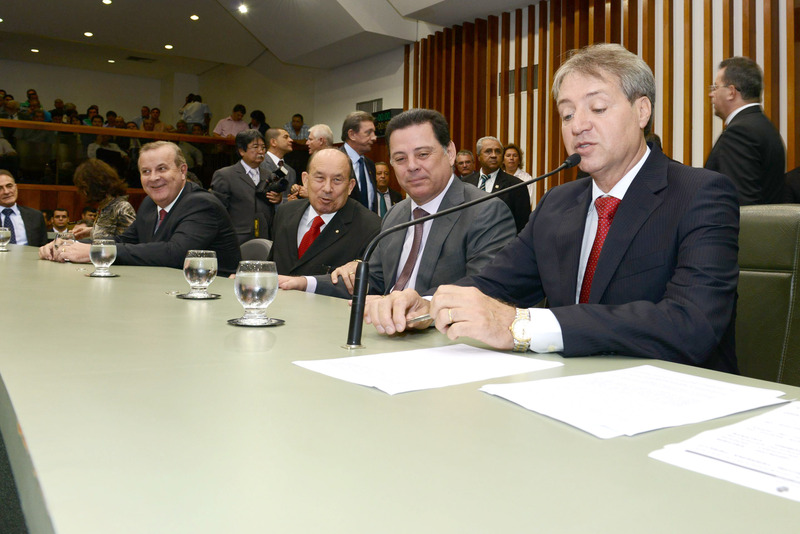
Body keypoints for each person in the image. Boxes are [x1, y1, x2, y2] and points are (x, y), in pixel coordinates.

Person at [364, 44, 740, 374]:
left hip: (670, 392)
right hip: (564, 386)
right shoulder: (558, 203)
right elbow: (496, 283)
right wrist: (428, 304)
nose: (578, 126)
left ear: (642, 111)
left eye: (597, 108)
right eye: (567, 114)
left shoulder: (700, 194)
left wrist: (523, 327)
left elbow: (692, 325)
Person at [278, 108, 516, 299]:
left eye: (423, 154)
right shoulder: (395, 214)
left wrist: (420, 304)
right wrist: (304, 283)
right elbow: (375, 279)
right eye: (400, 158)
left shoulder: (485, 211)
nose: (411, 166)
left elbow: (485, 287)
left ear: (450, 152)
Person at [40, 141, 241, 274]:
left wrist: (94, 252)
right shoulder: (149, 204)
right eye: (146, 171)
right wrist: (68, 244)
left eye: (162, 168)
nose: (153, 178)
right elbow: (123, 241)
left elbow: (176, 253)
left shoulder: (202, 204)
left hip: (212, 297)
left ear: (182, 171)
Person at [269, 148, 381, 276]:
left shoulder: (370, 228)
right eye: (320, 178)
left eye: (337, 180)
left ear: (350, 186)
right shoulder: (285, 212)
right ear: (305, 180)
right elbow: (271, 267)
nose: (327, 188)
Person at [705, 56, 786, 205]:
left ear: (731, 92)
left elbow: (740, 204)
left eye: (716, 87)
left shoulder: (740, 132)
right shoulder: (763, 125)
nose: (711, 94)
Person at [210, 130, 282, 244]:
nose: (261, 151)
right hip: (236, 239)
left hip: (265, 237)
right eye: (255, 147)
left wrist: (278, 198)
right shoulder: (225, 175)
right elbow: (217, 211)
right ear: (242, 151)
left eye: (263, 147)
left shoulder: (268, 175)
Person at [463, 136, 531, 232]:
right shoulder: (465, 183)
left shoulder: (516, 185)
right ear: (478, 156)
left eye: (498, 151)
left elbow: (522, 225)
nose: (494, 155)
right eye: (488, 151)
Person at [71, 159, 136, 239]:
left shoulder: (122, 207)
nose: (83, 193)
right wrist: (90, 231)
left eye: (84, 188)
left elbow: (129, 241)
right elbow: (109, 233)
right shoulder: (104, 206)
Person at [340, 111, 378, 212]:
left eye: (374, 132)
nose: (374, 138)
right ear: (352, 134)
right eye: (368, 132)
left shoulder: (370, 164)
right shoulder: (335, 160)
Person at [0, 170, 47, 246]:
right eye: (0, 188)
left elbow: (43, 247)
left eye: (9, 186)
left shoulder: (36, 216)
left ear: (16, 187)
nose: (6, 192)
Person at [264, 128, 297, 195]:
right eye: (286, 137)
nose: (291, 140)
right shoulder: (259, 164)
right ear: (273, 142)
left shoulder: (291, 172)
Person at [502, 143, 535, 208]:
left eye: (515, 155)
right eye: (508, 155)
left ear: (519, 161)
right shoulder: (499, 177)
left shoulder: (526, 178)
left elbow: (528, 201)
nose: (511, 158)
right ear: (503, 160)